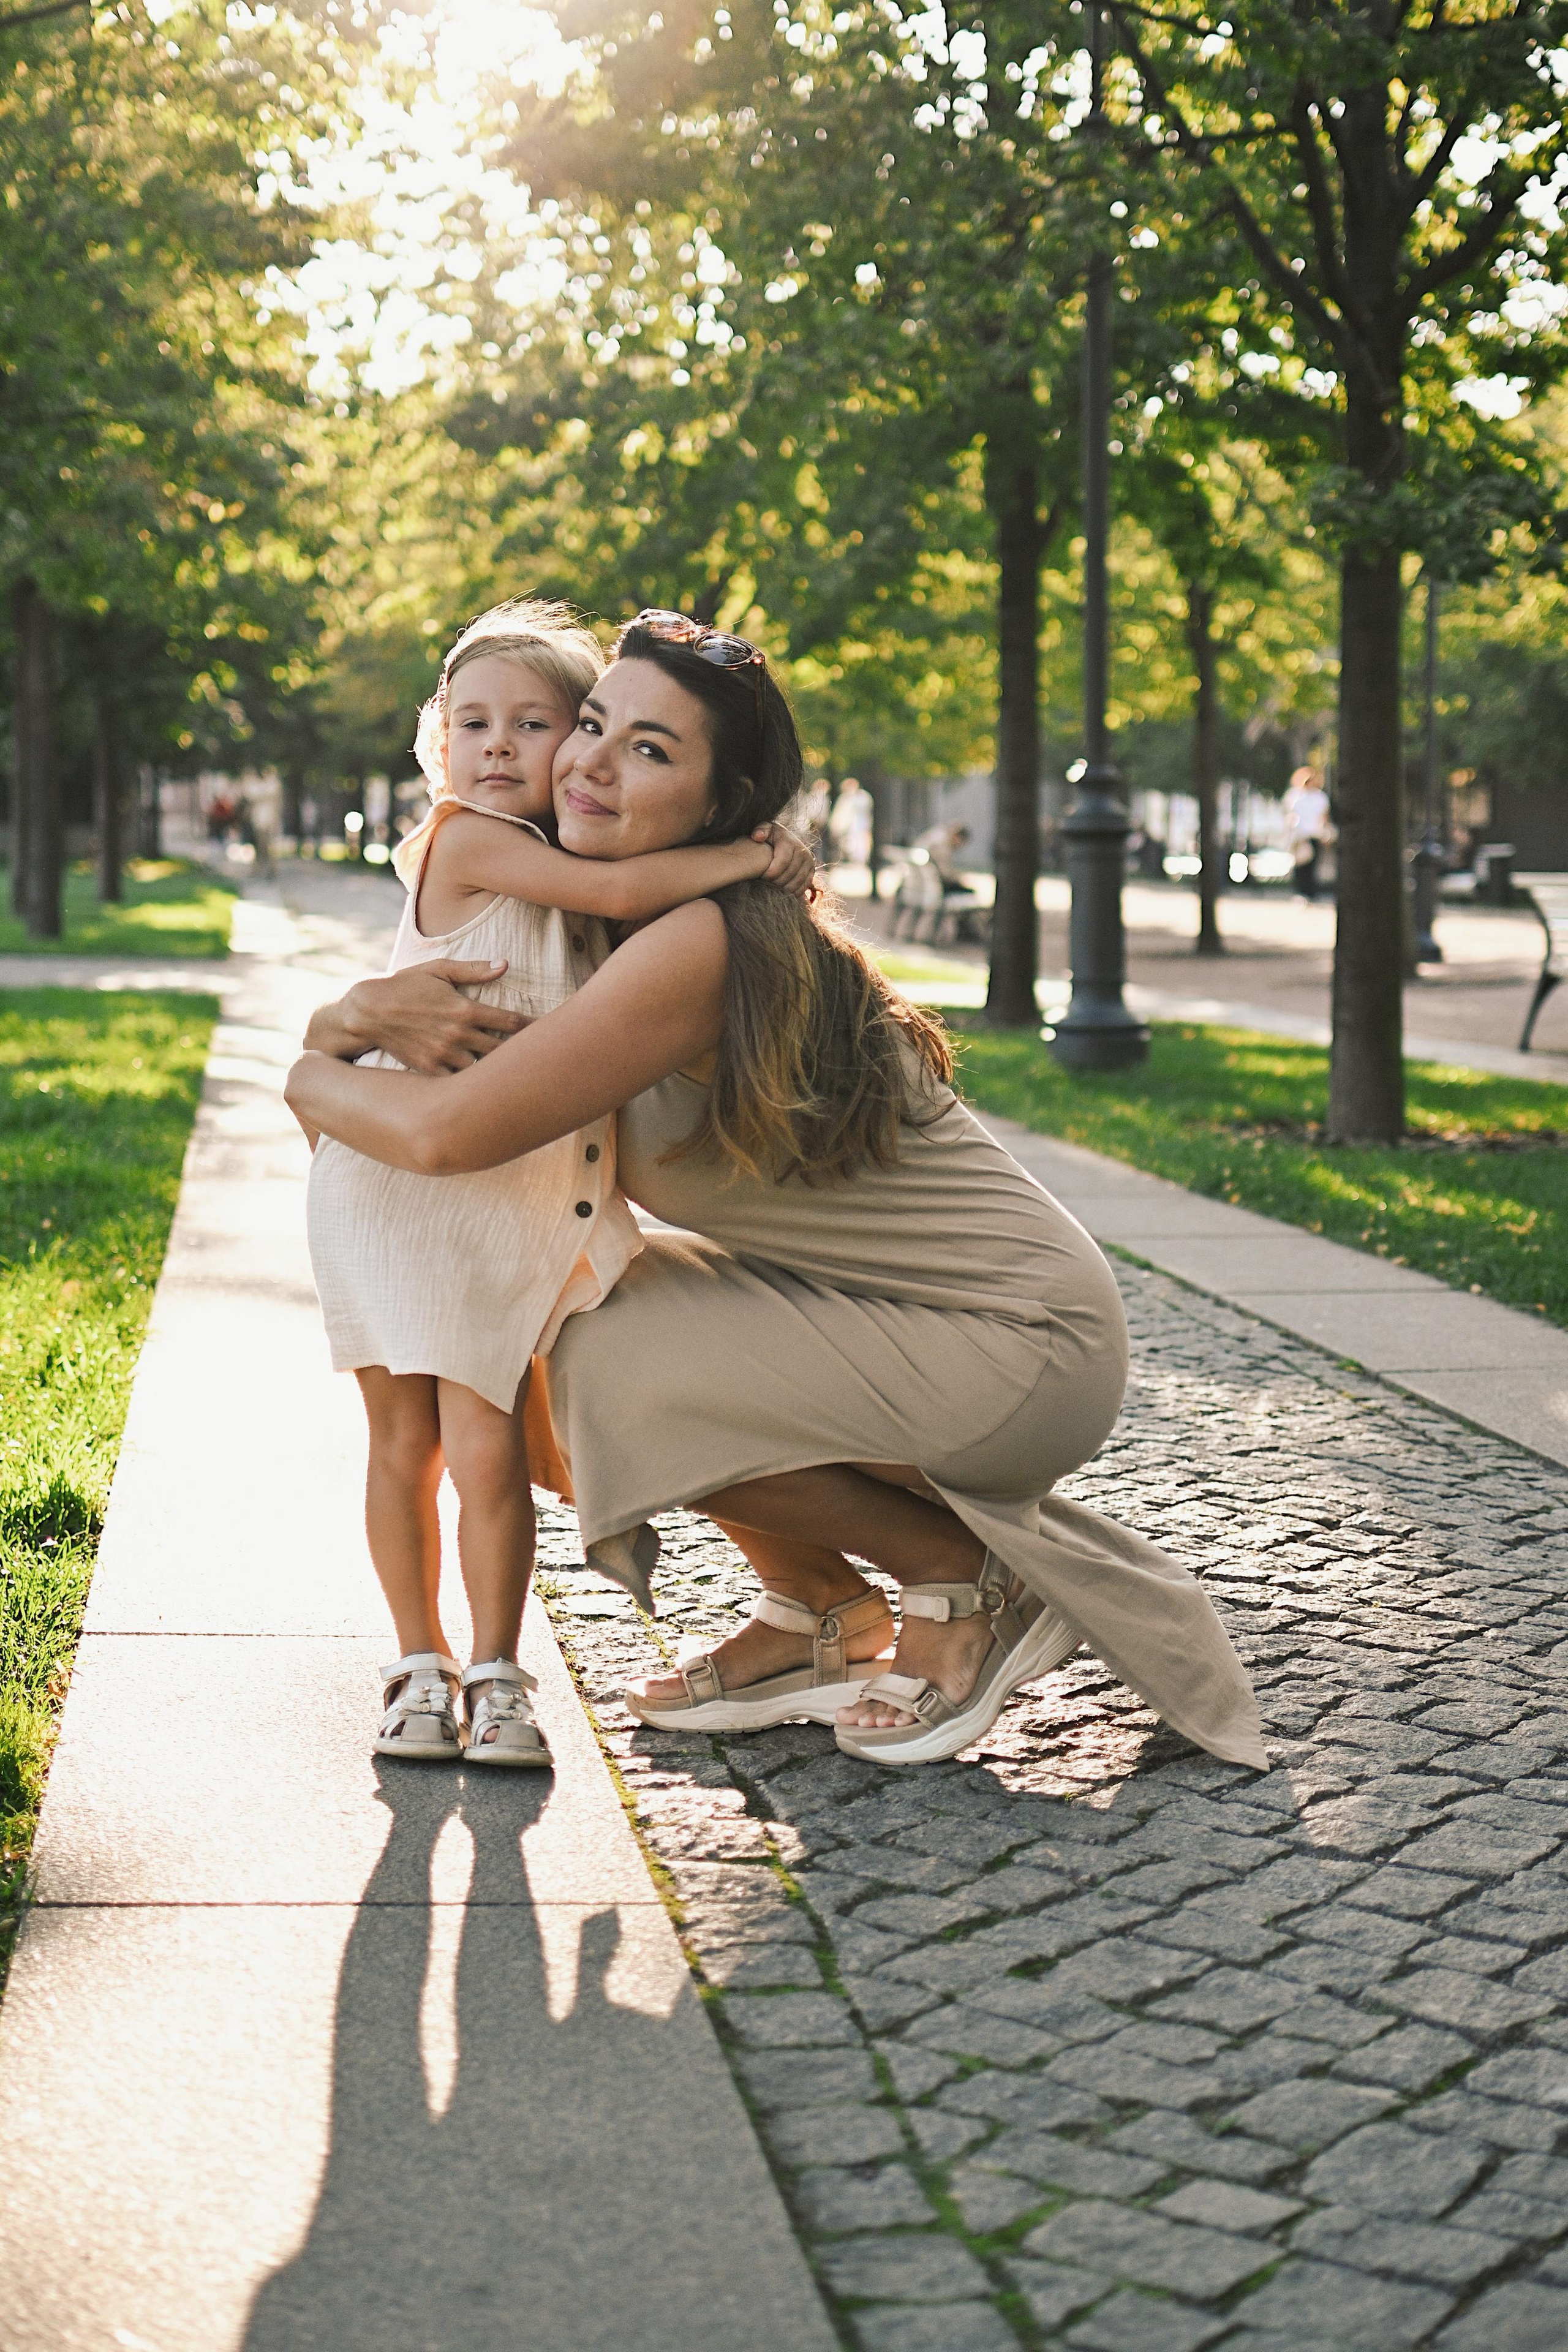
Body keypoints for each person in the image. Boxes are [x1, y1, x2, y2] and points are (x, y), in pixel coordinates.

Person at [287, 612, 1264, 1774]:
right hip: (897, 1316)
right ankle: (818, 1616)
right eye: (594, 723)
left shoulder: (696, 942)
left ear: (721, 806)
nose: (592, 761)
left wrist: (303, 1067)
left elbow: (447, 1136)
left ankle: (959, 1579)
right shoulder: (596, 923)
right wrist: (347, 1016)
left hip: (1018, 1345)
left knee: (585, 1357)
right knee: (549, 1313)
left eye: (651, 751)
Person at [296, 600, 812, 1772]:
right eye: (472, 721)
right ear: (439, 740)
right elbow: (627, 904)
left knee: (487, 1444)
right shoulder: (464, 839)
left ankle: (498, 1671)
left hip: (505, 1186)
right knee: (400, 1445)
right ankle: (416, 1665)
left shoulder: (573, 860)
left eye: (533, 723)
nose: (497, 746)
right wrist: (750, 853)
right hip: (392, 1177)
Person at [1283, 764, 1332, 901]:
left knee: (1312, 866)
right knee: (1300, 866)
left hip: (1314, 835)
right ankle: (1300, 892)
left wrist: (1325, 832)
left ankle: (1310, 893)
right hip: (1300, 836)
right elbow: (1289, 814)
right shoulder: (1294, 796)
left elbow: (1324, 817)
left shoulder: (1320, 797)